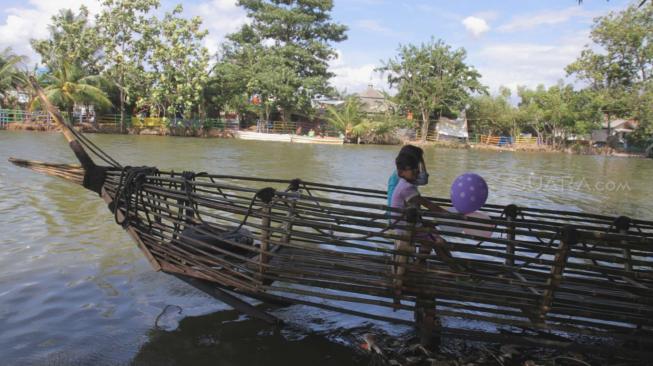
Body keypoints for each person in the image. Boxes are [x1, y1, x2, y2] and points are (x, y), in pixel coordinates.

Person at [387, 145, 428, 211]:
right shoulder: (402, 174)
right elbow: (424, 180)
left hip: (398, 211)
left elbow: (423, 179)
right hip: (397, 212)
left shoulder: (404, 171)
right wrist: (421, 160)